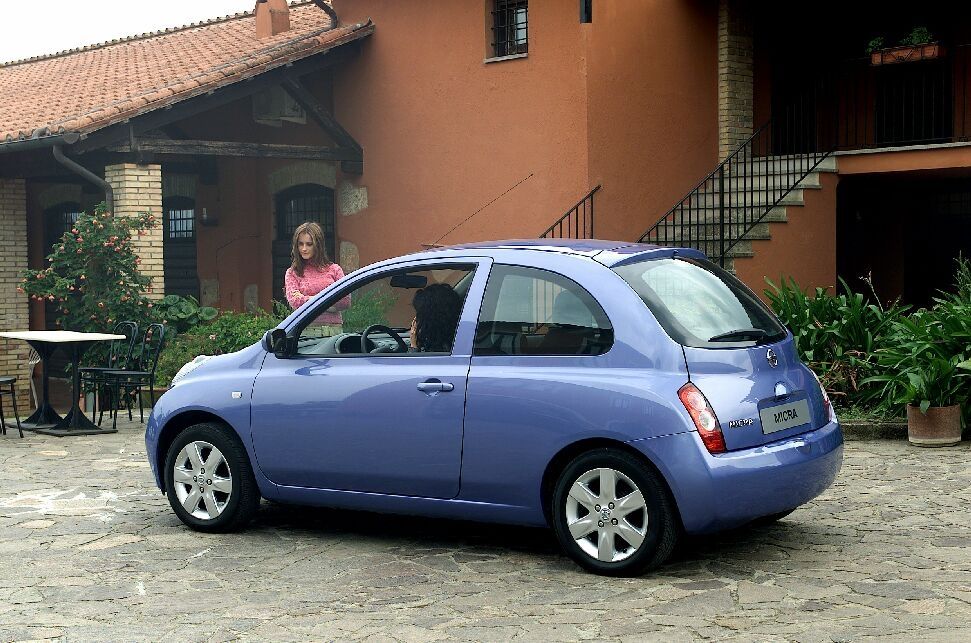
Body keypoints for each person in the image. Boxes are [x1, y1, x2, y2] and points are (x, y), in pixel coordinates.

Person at [284, 222, 349, 328]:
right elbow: (295, 302)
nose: (304, 248)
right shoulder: (292, 273)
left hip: (333, 331)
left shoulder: (335, 270)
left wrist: (307, 299)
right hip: (305, 330)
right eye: (300, 244)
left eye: (309, 244)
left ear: (318, 245)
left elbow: (345, 301)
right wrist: (330, 303)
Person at [409, 283, 463, 352]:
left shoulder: (441, 349)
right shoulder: (460, 337)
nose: (416, 319)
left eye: (420, 314)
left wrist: (413, 346)